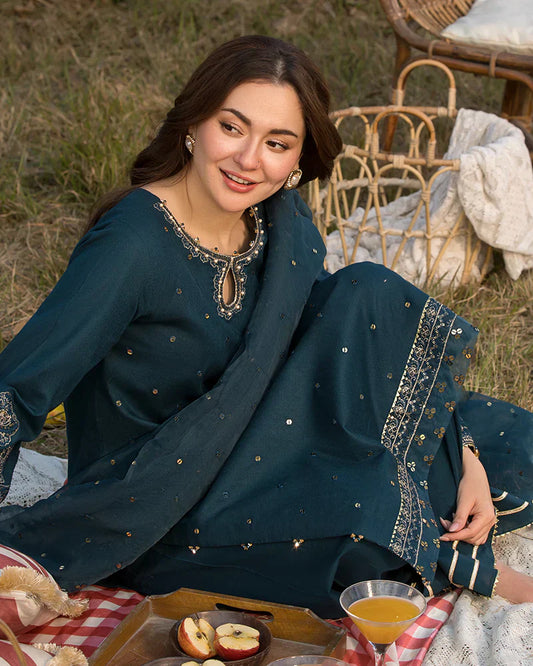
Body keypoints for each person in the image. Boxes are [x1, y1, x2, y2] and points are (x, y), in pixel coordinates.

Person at [0, 35, 532, 617]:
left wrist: (466, 456)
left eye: (276, 143)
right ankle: (452, 553)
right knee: (360, 512)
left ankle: (432, 504)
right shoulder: (130, 246)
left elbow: (334, 340)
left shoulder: (275, 217)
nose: (249, 160)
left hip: (266, 438)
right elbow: (19, 389)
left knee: (371, 295)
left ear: (299, 159)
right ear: (193, 123)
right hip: (163, 500)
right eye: (232, 127)